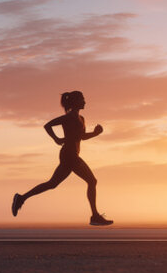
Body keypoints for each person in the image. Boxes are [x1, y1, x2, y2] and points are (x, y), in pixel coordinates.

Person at [12, 91, 113, 226]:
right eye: (82, 99)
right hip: (69, 155)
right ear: (75, 102)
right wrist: (56, 139)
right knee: (92, 181)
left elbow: (81, 137)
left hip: (71, 155)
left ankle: (21, 198)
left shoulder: (81, 119)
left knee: (52, 184)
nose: (85, 102)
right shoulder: (69, 117)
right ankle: (94, 216)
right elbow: (48, 125)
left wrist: (95, 134)